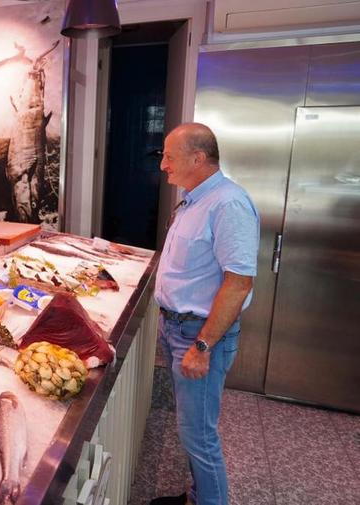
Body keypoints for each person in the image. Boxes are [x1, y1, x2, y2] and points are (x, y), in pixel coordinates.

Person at [152, 123, 259, 505]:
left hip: (198, 335)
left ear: (197, 159)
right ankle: (196, 496)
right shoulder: (193, 199)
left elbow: (239, 283)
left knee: (199, 435)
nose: (163, 164)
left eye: (169, 156)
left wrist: (202, 344)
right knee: (190, 430)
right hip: (176, 328)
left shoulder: (228, 204)